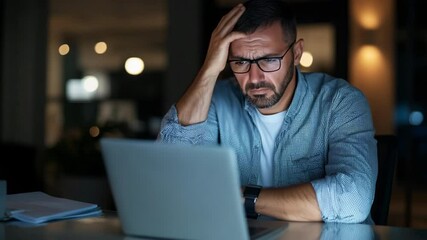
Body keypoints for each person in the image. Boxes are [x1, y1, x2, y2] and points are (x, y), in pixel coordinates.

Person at [158, 0, 378, 224]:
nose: (254, 78)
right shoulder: (216, 100)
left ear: (297, 53)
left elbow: (353, 200)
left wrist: (239, 196)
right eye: (241, 62)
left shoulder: (340, 101)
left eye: (269, 60)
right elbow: (169, 176)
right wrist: (209, 69)